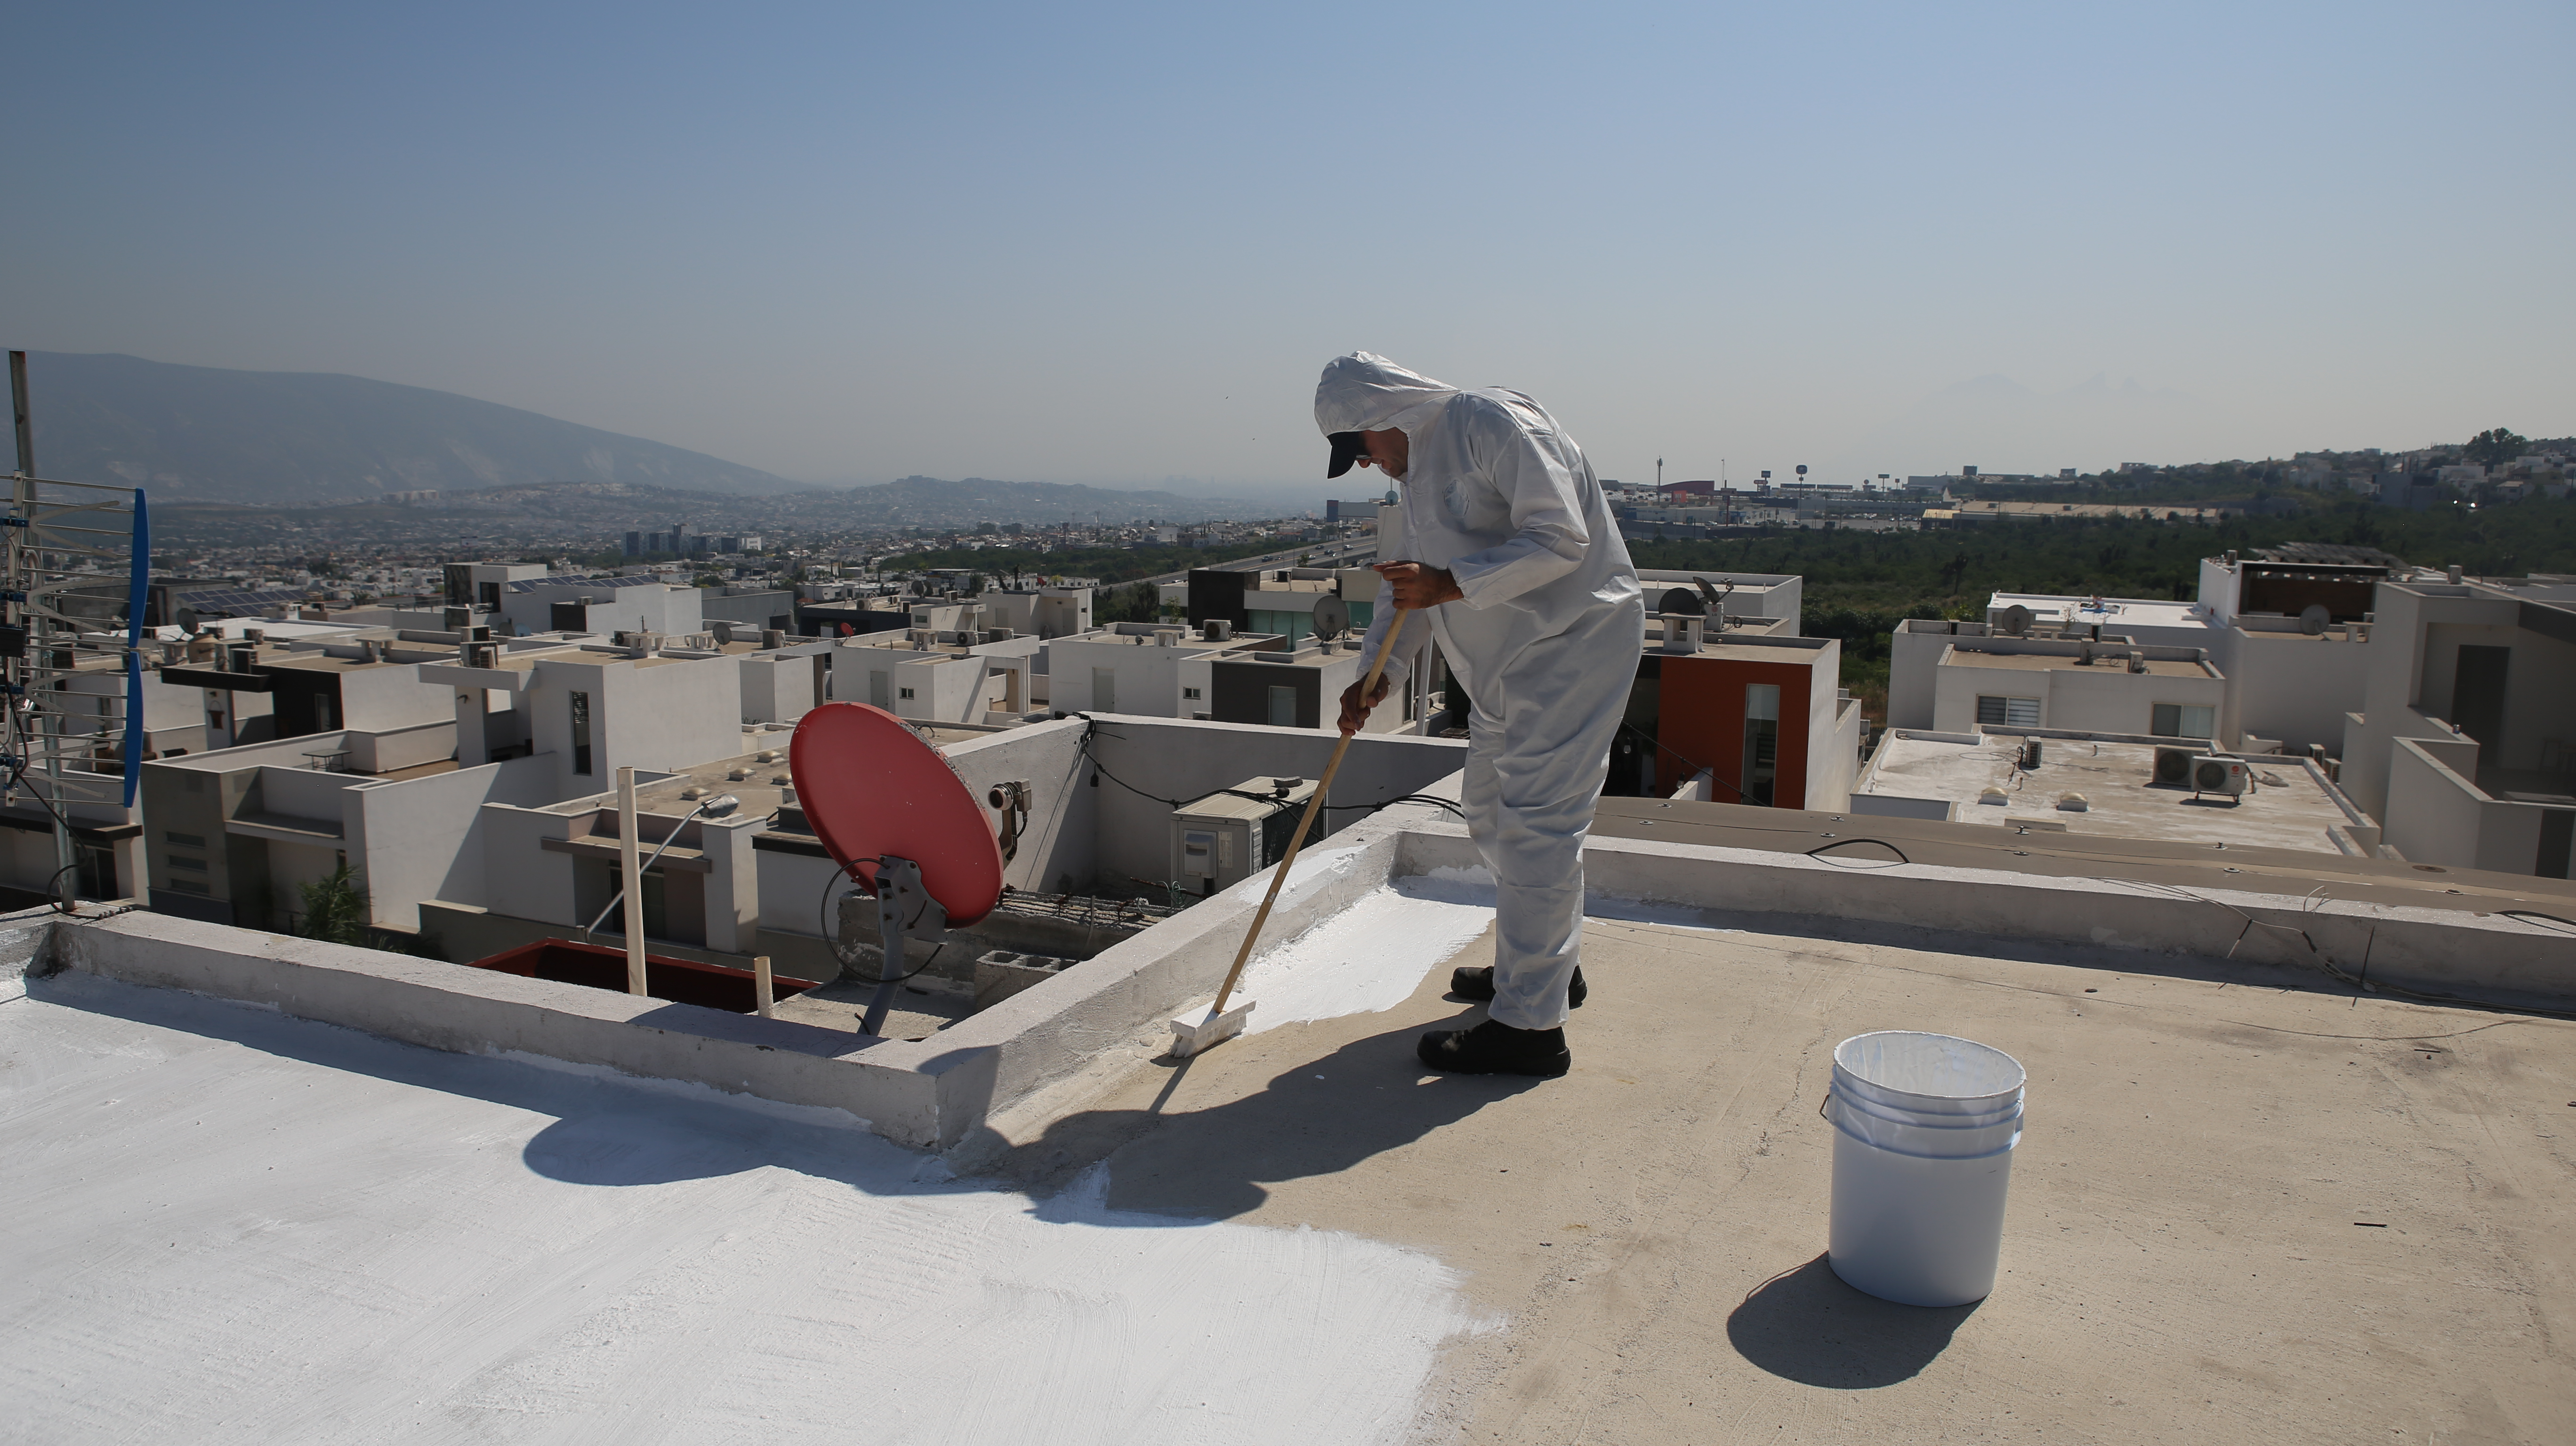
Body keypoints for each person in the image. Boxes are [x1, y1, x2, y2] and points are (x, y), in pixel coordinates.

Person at [1318, 352, 1643, 1077]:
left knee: (1536, 828)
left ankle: (1530, 1029)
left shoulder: (1489, 423)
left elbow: (1562, 537)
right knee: (1492, 817)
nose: (1367, 465)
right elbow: (1403, 591)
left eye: (1361, 447)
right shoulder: (1410, 483)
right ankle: (1546, 973)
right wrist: (1382, 673)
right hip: (1503, 671)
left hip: (1573, 647)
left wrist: (1449, 583)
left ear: (1387, 418)